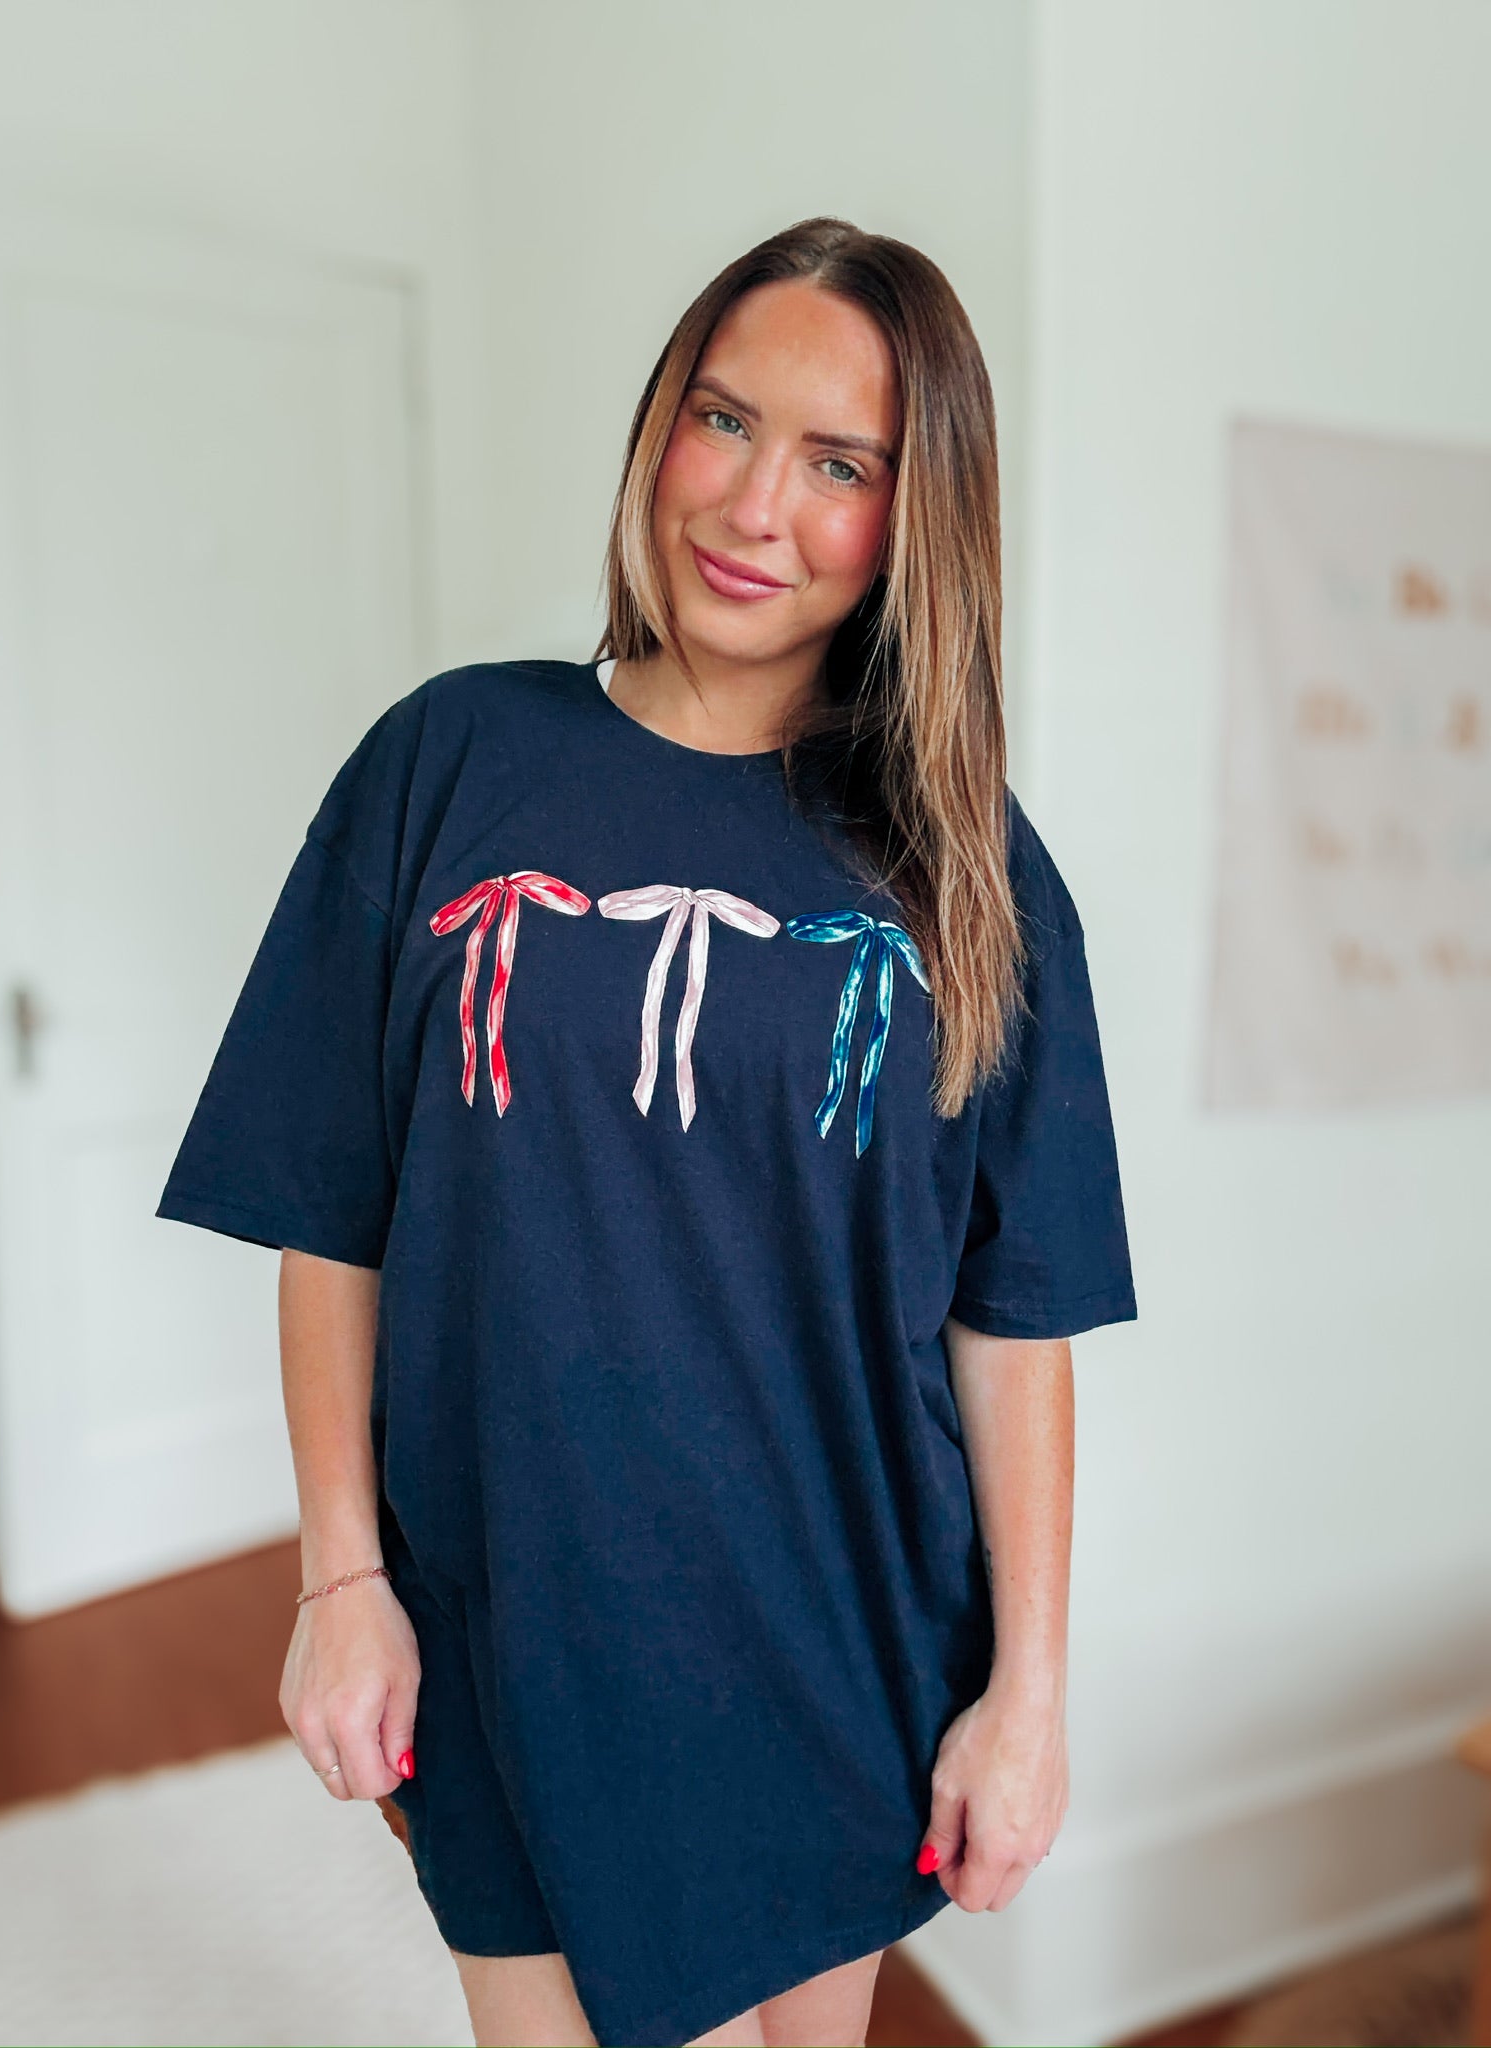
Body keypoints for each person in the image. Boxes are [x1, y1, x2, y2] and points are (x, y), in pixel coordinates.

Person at [156, 215, 1136, 2048]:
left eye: (840, 464)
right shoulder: (449, 760)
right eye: (724, 420)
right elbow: (331, 1216)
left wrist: (1030, 1697)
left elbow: (1015, 1324)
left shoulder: (971, 869)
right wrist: (341, 1580)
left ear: (914, 517)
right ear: (659, 426)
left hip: (842, 1641)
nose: (756, 507)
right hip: (511, 1626)